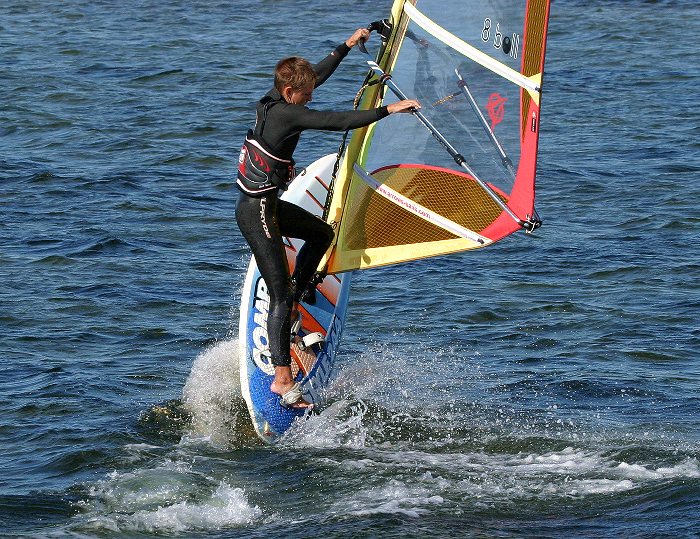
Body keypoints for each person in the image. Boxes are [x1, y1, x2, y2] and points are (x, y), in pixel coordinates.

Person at [235, 27, 420, 409]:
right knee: (279, 294)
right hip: (258, 215)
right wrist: (388, 110)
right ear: (290, 94)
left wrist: (347, 46)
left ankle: (301, 292)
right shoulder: (288, 115)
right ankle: (282, 381)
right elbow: (335, 121)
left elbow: (314, 74)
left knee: (320, 234)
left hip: (266, 206)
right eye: (306, 95)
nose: (311, 97)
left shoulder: (271, 99)